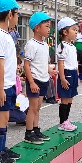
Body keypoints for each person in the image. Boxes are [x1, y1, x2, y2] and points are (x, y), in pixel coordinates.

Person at [0, 0, 22, 163]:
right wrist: (0, 89)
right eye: (17, 15)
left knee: (6, 117)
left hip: (7, 85)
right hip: (0, 87)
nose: (17, 19)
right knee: (1, 119)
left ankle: (2, 148)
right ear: (10, 14)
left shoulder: (5, 34)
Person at [24, 12, 57, 144]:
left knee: (38, 107)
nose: (49, 29)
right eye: (47, 26)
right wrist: (31, 82)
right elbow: (26, 65)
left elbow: (43, 62)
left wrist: (50, 70)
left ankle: (36, 130)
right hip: (35, 80)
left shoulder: (44, 45)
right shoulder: (31, 44)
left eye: (50, 27)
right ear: (37, 28)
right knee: (32, 107)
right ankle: (28, 133)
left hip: (43, 79)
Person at [57, 17, 79, 132]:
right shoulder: (62, 46)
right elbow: (60, 63)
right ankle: (62, 122)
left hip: (73, 73)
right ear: (65, 32)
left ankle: (66, 120)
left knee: (70, 98)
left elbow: (75, 63)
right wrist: (62, 78)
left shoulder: (73, 46)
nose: (76, 32)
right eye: (74, 30)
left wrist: (77, 75)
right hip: (66, 73)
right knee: (65, 98)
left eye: (77, 30)